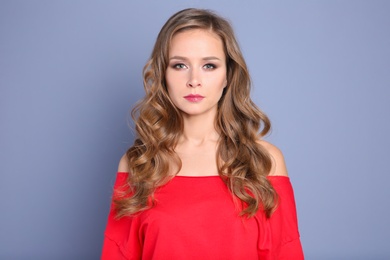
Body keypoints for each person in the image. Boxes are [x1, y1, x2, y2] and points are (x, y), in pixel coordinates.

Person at [102, 8, 303, 259]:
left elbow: (286, 252)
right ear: (163, 74)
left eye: (209, 65)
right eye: (179, 65)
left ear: (228, 74)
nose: (194, 80)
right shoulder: (139, 164)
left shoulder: (264, 161)